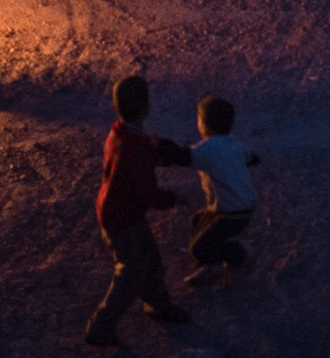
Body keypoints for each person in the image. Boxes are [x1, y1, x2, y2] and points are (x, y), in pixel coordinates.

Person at [85, 76, 194, 346]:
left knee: (149, 257)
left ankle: (157, 302)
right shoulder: (139, 150)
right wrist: (176, 198)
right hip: (124, 219)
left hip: (116, 212)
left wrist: (151, 147)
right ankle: (100, 326)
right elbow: (150, 194)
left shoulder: (118, 133)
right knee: (129, 274)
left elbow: (136, 154)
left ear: (114, 105)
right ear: (146, 107)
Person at [181, 97, 259, 288]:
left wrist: (159, 149)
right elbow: (250, 157)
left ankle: (237, 253)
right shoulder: (235, 144)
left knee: (197, 248)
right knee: (198, 220)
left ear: (205, 125)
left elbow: (185, 157)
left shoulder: (207, 149)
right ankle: (211, 262)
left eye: (198, 118)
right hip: (239, 207)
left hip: (231, 213)